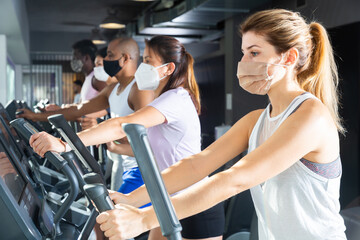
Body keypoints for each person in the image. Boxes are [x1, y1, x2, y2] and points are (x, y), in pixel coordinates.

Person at [88, 9, 347, 240]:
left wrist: (144, 219)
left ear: (289, 58)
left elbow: (235, 178)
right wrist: (131, 199)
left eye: (255, 52)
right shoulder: (256, 120)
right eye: (244, 52)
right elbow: (195, 165)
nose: (244, 62)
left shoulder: (311, 115)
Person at [28, 35, 225, 240]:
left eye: (149, 61)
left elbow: (122, 125)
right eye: (144, 60)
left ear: (167, 69)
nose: (143, 66)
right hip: (168, 197)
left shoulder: (176, 98)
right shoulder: (160, 99)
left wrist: (64, 144)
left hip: (195, 201)